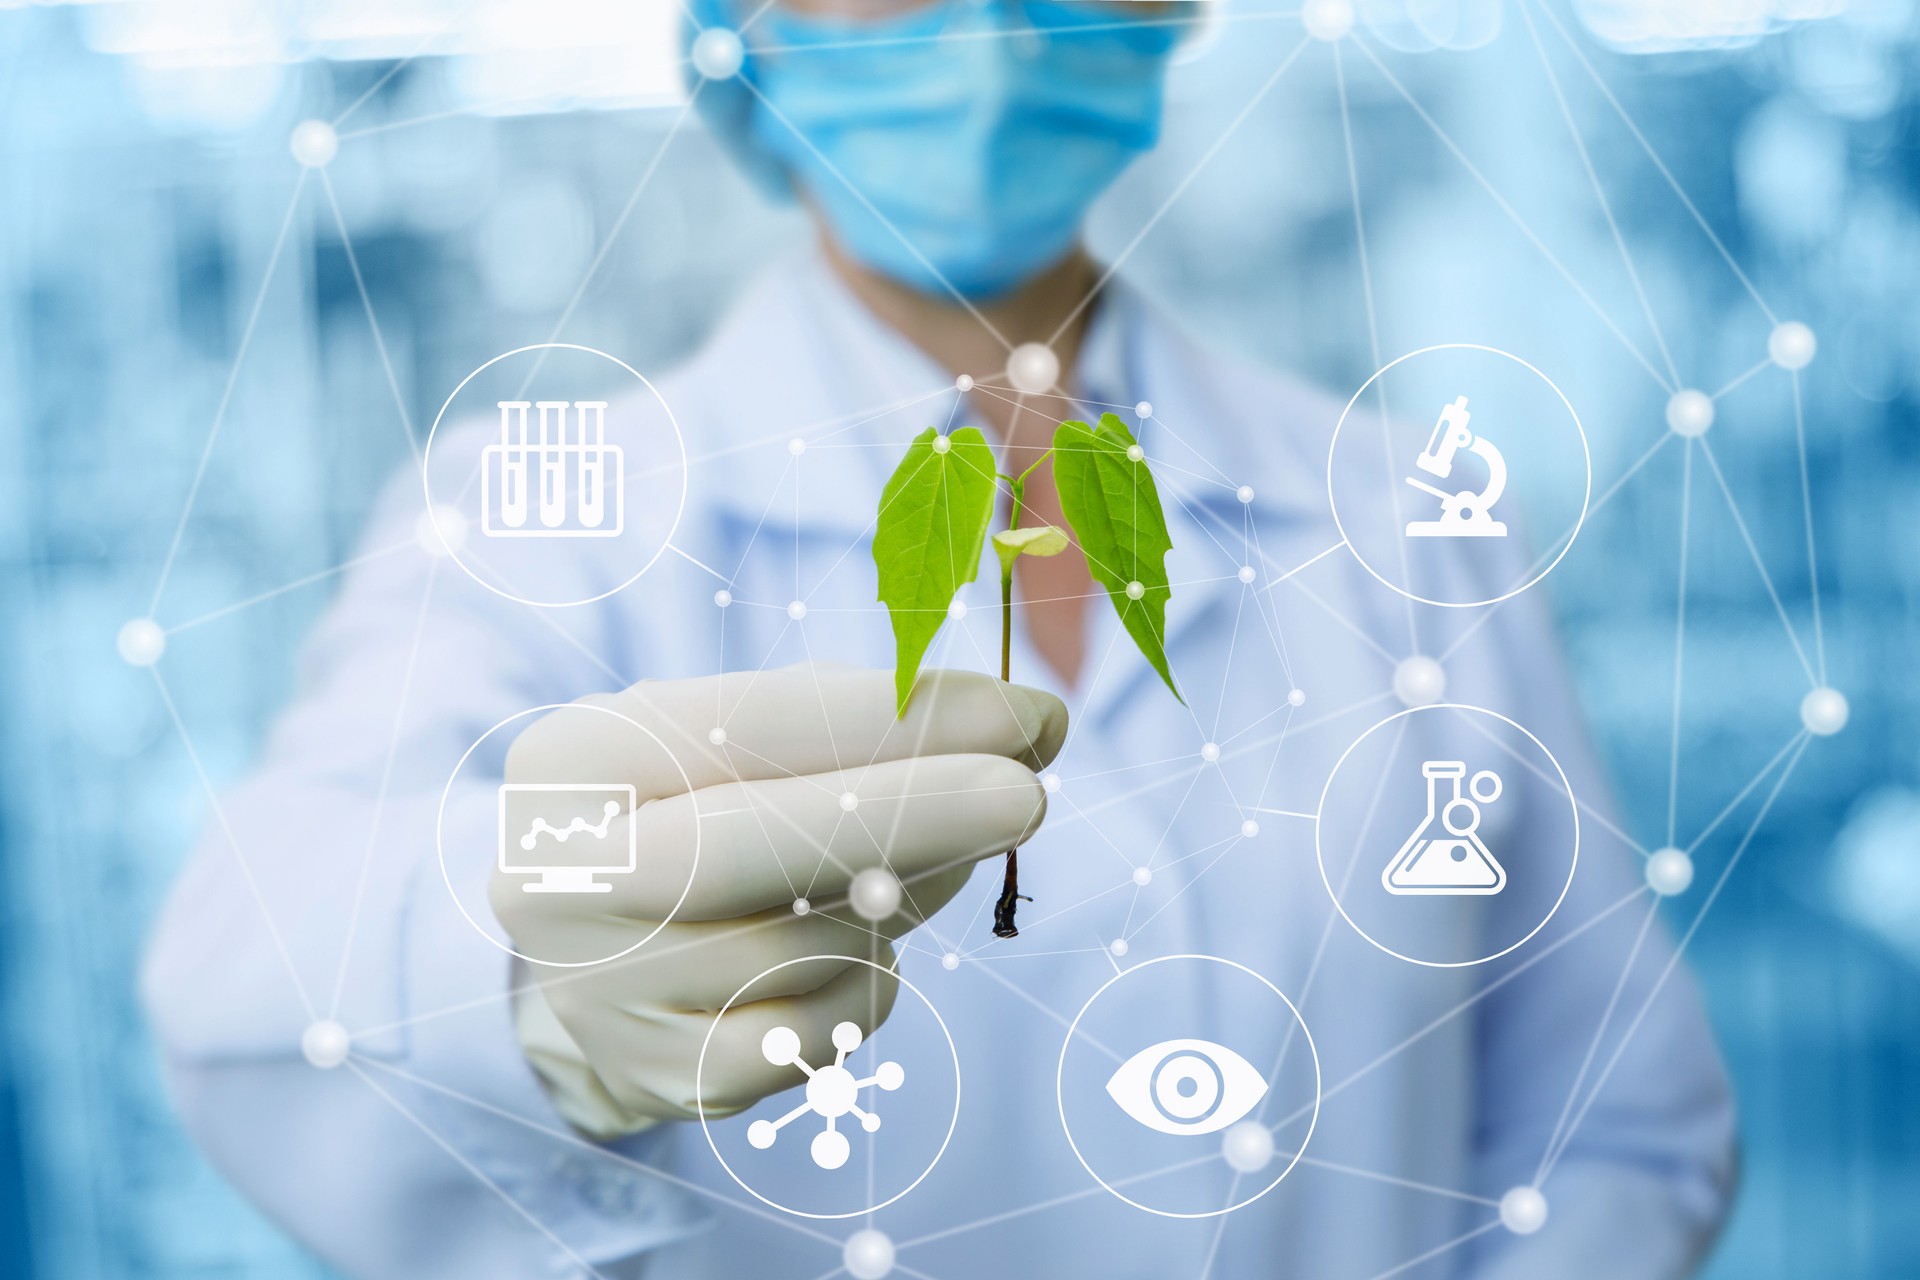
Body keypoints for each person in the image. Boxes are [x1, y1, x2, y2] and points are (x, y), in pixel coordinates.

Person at [143, 1, 1737, 1276]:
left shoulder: (1397, 520)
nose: (978, 28)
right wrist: (533, 994)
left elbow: (1621, 1119)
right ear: (741, 30)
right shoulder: (544, 517)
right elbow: (252, 949)